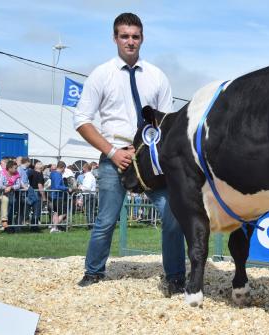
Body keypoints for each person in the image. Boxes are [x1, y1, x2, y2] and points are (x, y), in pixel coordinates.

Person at [74, 12, 186, 293]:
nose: (130, 41)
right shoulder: (102, 74)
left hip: (149, 158)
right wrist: (112, 152)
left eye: (135, 36)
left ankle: (175, 277)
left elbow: (166, 121)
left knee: (173, 214)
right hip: (115, 156)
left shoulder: (157, 76)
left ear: (142, 38)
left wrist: (158, 154)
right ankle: (94, 273)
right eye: (124, 36)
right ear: (115, 38)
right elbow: (81, 120)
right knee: (106, 220)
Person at [0, 160, 21, 235]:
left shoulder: (16, 174)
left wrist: (11, 187)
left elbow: (18, 185)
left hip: (6, 193)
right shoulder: (1, 173)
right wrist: (6, 188)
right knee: (5, 199)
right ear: (9, 168)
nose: (16, 169)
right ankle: (4, 220)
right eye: (15, 168)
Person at [48, 161, 70, 233]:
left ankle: (55, 227)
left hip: (53, 196)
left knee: (56, 213)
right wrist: (67, 188)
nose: (64, 170)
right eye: (64, 168)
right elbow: (57, 186)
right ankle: (54, 227)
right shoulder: (58, 175)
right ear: (63, 167)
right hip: (58, 196)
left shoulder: (53, 173)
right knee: (63, 213)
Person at [27, 161, 46, 231]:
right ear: (41, 168)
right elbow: (40, 185)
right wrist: (44, 197)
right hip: (37, 193)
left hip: (29, 193)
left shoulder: (31, 173)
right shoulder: (40, 174)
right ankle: (34, 226)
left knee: (29, 210)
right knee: (36, 211)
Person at [78, 163, 97, 227]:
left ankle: (91, 225)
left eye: (83, 168)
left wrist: (80, 187)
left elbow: (88, 187)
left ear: (85, 169)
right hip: (89, 195)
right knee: (90, 211)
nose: (82, 169)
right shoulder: (89, 176)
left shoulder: (88, 176)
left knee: (89, 211)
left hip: (89, 195)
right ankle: (91, 224)